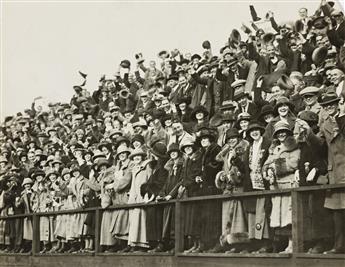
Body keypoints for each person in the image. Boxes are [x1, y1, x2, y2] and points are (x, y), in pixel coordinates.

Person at [303, 93, 345, 254]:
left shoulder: (342, 118)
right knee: (337, 212)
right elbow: (320, 146)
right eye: (326, 106)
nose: (329, 108)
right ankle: (339, 246)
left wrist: (341, 117)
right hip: (335, 172)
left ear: (338, 104)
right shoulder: (325, 124)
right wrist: (308, 133)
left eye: (332, 104)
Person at [263, 120, 301, 253]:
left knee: (289, 216)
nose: (281, 135)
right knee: (280, 217)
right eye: (278, 133)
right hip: (277, 187)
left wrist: (276, 166)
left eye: (283, 132)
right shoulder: (275, 148)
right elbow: (266, 163)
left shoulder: (294, 146)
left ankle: (292, 244)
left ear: (288, 132)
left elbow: (294, 163)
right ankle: (285, 245)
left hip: (289, 185)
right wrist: (267, 169)